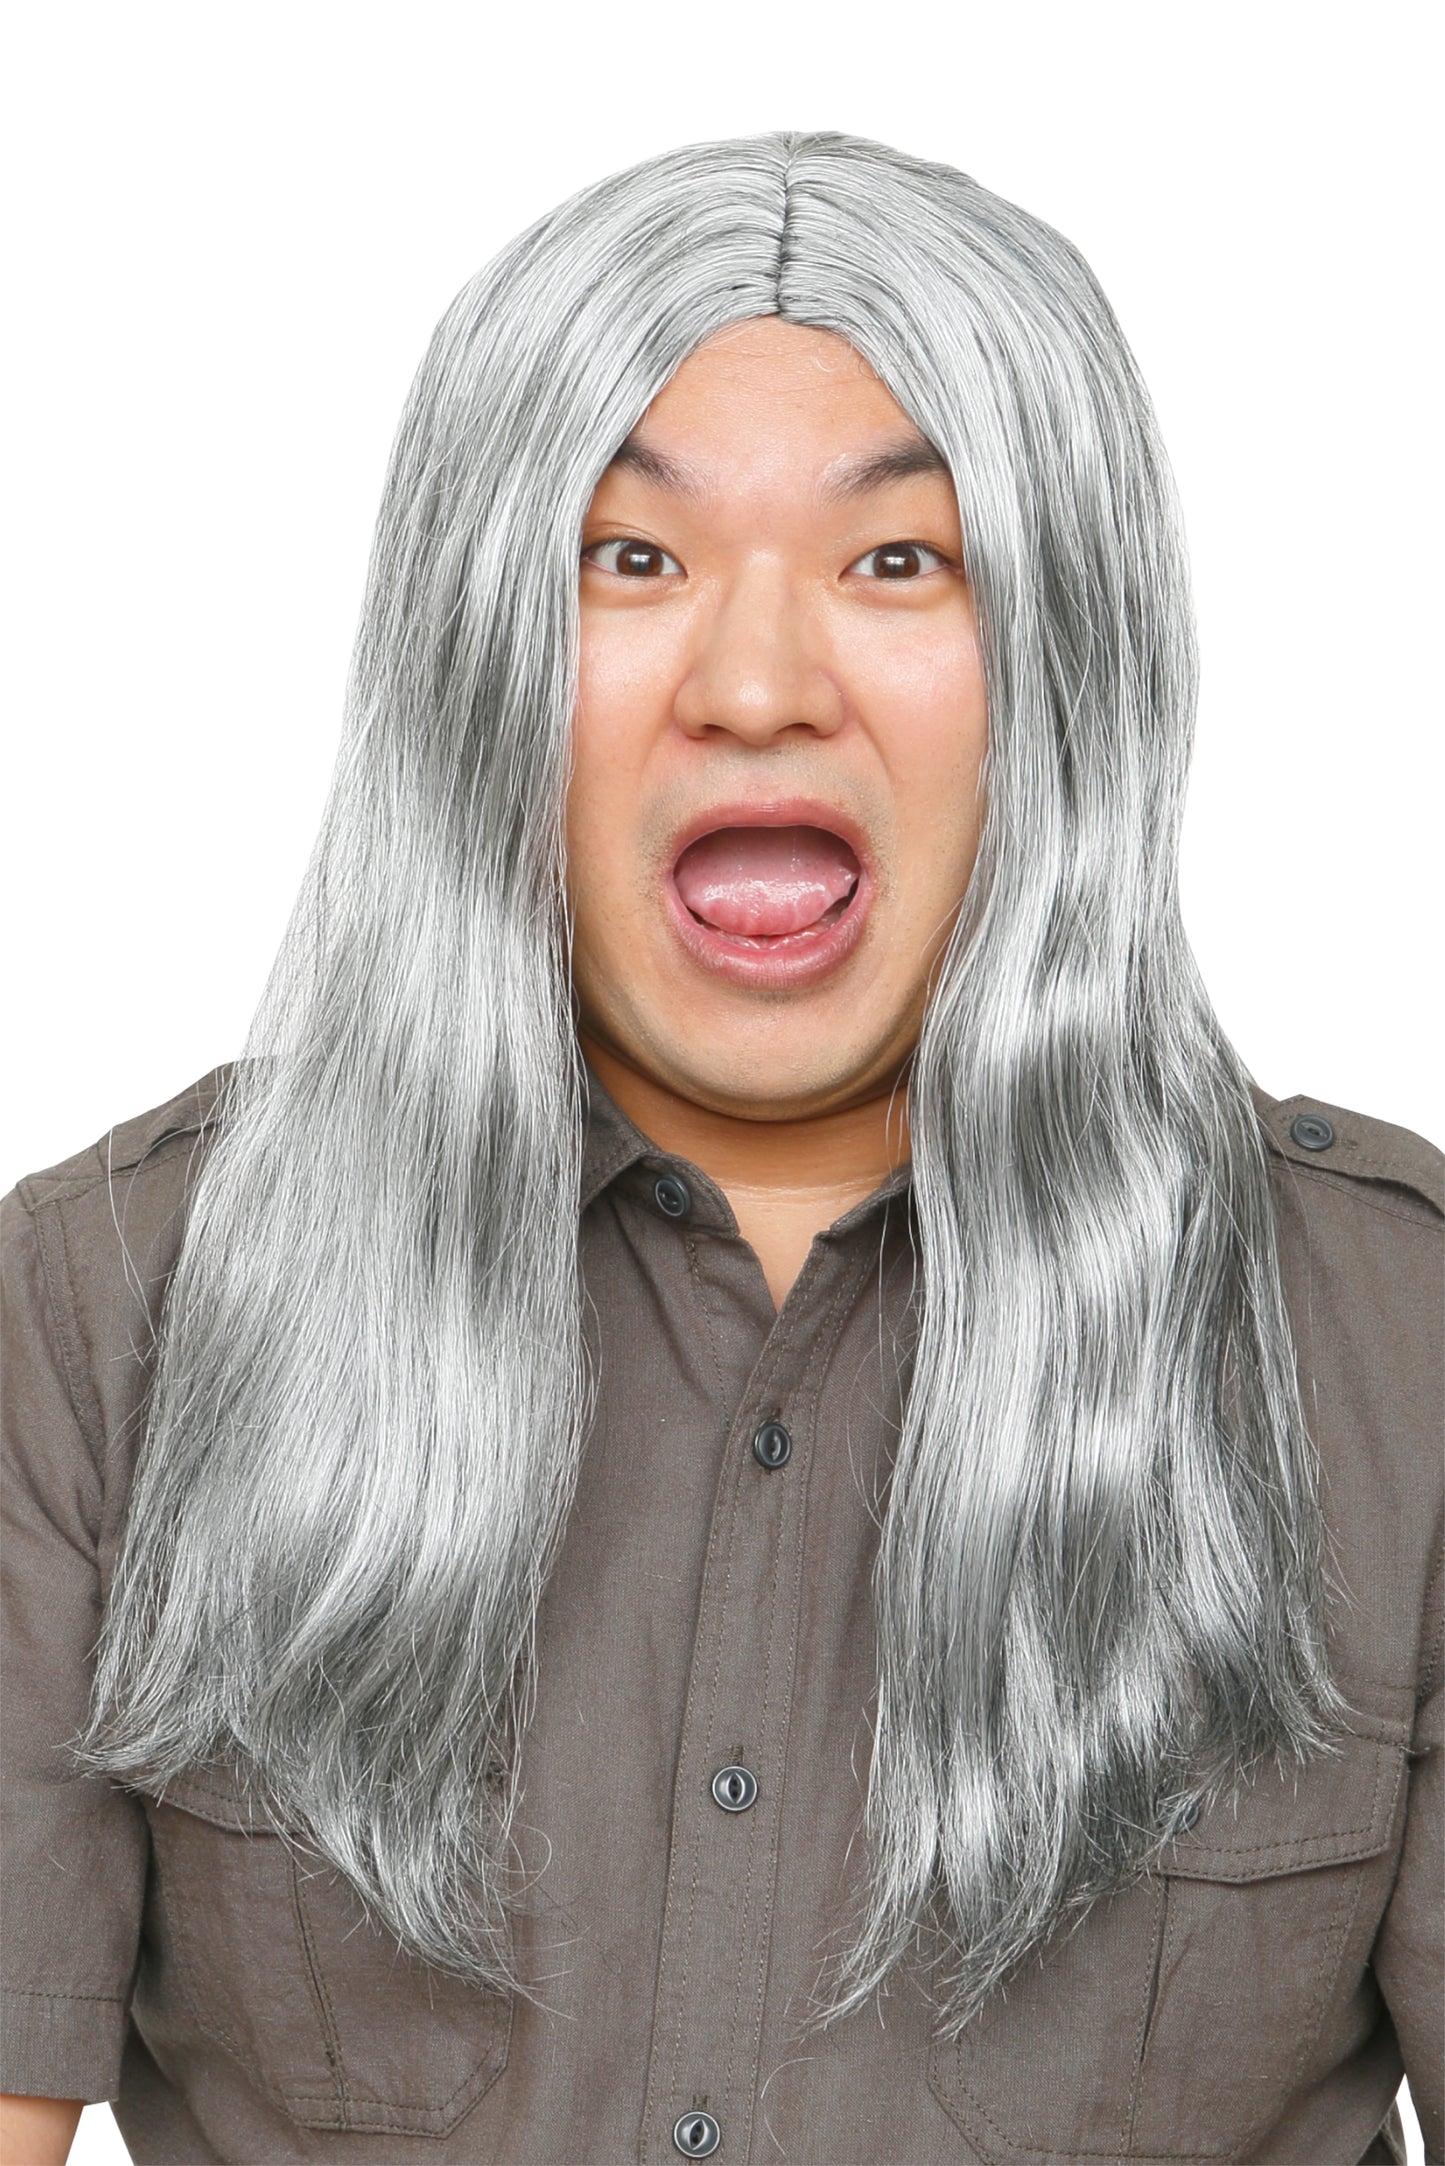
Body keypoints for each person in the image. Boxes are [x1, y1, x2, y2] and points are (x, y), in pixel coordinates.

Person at [1, 131, 1439, 2166]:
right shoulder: (105, 1307)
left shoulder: (1404, 1343)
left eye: (897, 561)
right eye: (631, 558)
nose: (757, 688)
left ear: (1068, 661)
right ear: (473, 661)